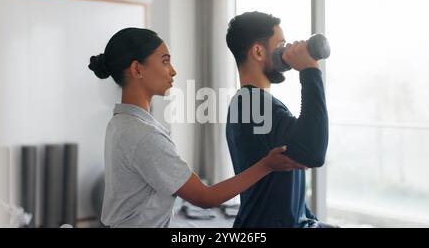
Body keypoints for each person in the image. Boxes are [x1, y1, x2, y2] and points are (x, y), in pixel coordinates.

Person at [88, 27, 306, 228]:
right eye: (165, 61)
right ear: (137, 69)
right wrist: (267, 165)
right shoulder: (143, 135)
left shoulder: (120, 122)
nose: (173, 71)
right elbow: (205, 198)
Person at [225, 12, 333, 227]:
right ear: (258, 51)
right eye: (281, 45)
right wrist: (309, 70)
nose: (287, 51)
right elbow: (313, 152)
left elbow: (286, 187)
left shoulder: (254, 102)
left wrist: (310, 219)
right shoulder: (253, 104)